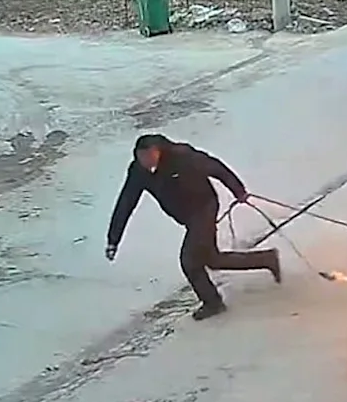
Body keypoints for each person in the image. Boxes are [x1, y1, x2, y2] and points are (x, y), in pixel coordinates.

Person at [105, 134, 281, 321]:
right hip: (187, 216)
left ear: (158, 152)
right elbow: (126, 202)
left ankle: (213, 303)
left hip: (204, 206)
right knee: (212, 259)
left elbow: (216, 167)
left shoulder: (182, 156)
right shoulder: (138, 171)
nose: (145, 162)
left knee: (189, 261)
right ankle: (266, 259)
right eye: (141, 158)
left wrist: (238, 190)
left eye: (148, 157)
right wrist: (113, 240)